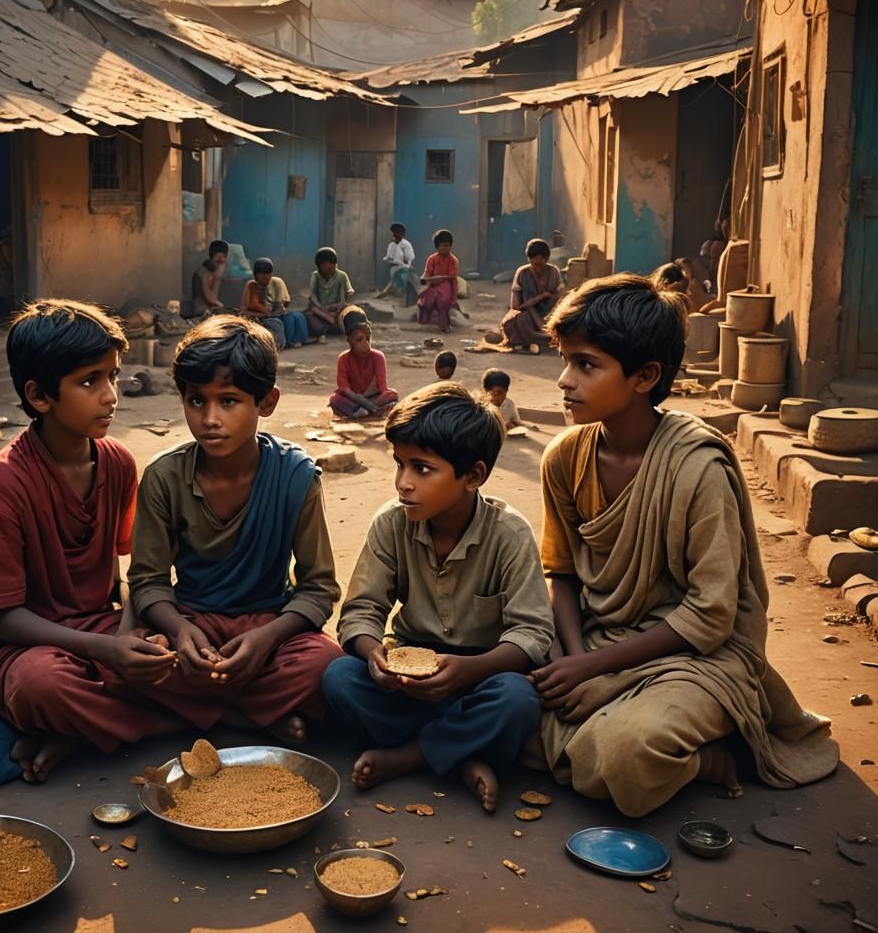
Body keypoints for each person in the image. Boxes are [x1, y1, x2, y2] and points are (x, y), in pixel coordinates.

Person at [524, 274, 838, 817]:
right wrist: (577, 663)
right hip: (599, 641)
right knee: (496, 708)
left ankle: (714, 761)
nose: (564, 381)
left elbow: (712, 616)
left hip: (698, 655)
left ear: (645, 376)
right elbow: (564, 574)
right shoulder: (564, 457)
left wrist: (604, 674)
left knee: (624, 751)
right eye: (565, 360)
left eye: (586, 364)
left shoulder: (696, 468)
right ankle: (604, 745)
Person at [0, 299, 180, 783]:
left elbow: (125, 573)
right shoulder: (3, 485)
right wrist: (105, 652)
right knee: (40, 686)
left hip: (101, 627)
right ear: (40, 396)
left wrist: (128, 634)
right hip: (28, 647)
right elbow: (5, 619)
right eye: (89, 381)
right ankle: (163, 725)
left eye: (112, 375)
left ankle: (78, 732)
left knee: (176, 649)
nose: (110, 396)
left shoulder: (119, 463)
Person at [322, 384, 553, 812]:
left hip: (480, 675)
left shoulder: (510, 534)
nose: (403, 483)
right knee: (339, 678)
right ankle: (461, 753)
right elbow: (361, 611)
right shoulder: (391, 524)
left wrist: (470, 669)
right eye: (400, 465)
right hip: (407, 679)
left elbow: (533, 632)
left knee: (517, 700)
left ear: (473, 476)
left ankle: (408, 756)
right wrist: (375, 657)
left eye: (422, 469)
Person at [128, 315, 344, 745]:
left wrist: (266, 639)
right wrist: (180, 631)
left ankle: (184, 717)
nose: (209, 419)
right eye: (196, 401)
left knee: (326, 663)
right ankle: (247, 719)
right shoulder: (163, 477)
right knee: (136, 657)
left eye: (228, 401)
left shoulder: (297, 476)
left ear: (267, 402)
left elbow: (318, 589)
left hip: (269, 625)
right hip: (190, 622)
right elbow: (147, 582)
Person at [329, 306, 399, 419]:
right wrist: (361, 401)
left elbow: (382, 387)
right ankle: (367, 411)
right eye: (359, 340)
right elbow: (344, 388)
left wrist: (368, 403)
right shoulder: (343, 358)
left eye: (368, 338)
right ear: (349, 340)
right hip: (352, 399)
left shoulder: (378, 356)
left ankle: (360, 412)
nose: (366, 344)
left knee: (392, 394)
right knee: (334, 399)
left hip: (373, 398)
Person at [501, 238, 561, 354]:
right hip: (527, 313)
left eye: (540, 258)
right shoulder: (522, 273)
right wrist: (541, 296)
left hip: (550, 314)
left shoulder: (554, 272)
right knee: (515, 320)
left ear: (546, 258)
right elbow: (516, 306)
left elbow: (561, 297)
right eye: (533, 258)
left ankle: (542, 341)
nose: (537, 261)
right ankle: (537, 341)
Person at [240, 257, 309, 349]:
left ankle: (297, 340)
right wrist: (263, 313)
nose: (265, 276)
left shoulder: (277, 282)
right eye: (261, 273)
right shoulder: (251, 285)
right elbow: (244, 311)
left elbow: (282, 305)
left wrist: (273, 311)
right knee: (281, 322)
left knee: (298, 316)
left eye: (267, 273)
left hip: (276, 313)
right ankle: (286, 343)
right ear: (255, 275)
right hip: (259, 317)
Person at [305, 247, 354, 342]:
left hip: (338, 308)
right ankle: (330, 326)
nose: (327, 266)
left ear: (335, 264)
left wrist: (338, 306)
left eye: (330, 263)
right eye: (324, 263)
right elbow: (313, 295)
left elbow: (344, 294)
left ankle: (334, 326)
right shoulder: (315, 276)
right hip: (320, 309)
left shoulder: (342, 276)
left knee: (349, 312)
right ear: (318, 265)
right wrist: (321, 307)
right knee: (309, 314)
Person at [417, 229, 459, 334]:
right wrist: (424, 280)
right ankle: (430, 322)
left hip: (447, 285)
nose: (446, 248)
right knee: (425, 300)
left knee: (442, 300)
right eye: (443, 245)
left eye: (448, 245)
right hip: (433, 285)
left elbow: (451, 276)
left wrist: (438, 278)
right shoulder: (431, 259)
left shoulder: (453, 260)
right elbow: (427, 275)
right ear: (437, 246)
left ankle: (445, 326)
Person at [187, 240, 229, 318]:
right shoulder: (205, 271)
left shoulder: (215, 270)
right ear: (212, 257)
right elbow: (212, 298)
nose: (221, 261)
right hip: (200, 309)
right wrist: (218, 278)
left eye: (223, 258)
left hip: (209, 307)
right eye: (218, 258)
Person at [380, 222, 415, 298]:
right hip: (393, 268)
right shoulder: (391, 245)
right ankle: (390, 291)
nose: (395, 235)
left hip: (404, 268)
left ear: (402, 234)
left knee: (398, 276)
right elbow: (388, 257)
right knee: (395, 277)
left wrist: (406, 266)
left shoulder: (406, 245)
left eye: (398, 233)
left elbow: (409, 259)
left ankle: (386, 291)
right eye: (394, 233)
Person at [698, 217, 730, 296]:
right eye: (724, 228)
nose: (726, 231)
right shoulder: (712, 245)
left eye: (727, 229)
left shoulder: (731, 246)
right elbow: (703, 261)